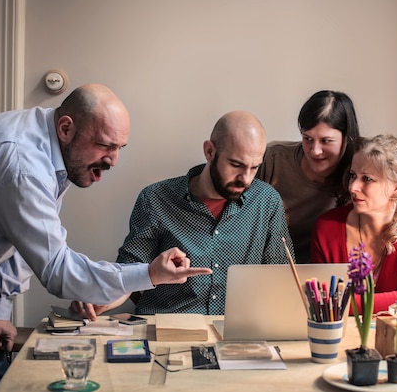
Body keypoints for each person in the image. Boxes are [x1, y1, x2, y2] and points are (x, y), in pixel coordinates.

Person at [0, 83, 212, 392]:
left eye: (119, 148)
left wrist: (0, 308)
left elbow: (20, 232)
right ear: (66, 128)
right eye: (105, 145)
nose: (113, 160)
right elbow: (58, 271)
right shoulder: (23, 165)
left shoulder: (51, 149)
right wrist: (150, 274)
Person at [71, 111, 294, 319]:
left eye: (254, 167)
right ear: (210, 151)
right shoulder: (155, 199)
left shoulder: (266, 201)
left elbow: (280, 279)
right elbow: (131, 271)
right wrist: (102, 299)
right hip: (164, 332)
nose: (245, 178)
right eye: (236, 164)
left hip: (235, 336)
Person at [310, 134, 397, 313]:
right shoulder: (327, 227)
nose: (352, 187)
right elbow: (320, 301)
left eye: (367, 179)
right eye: (353, 175)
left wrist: (345, 305)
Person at [256, 90, 360, 264]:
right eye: (308, 138)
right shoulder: (273, 159)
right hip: (271, 269)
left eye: (326, 141)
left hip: (329, 276)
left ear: (346, 138)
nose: (315, 150)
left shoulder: (360, 170)